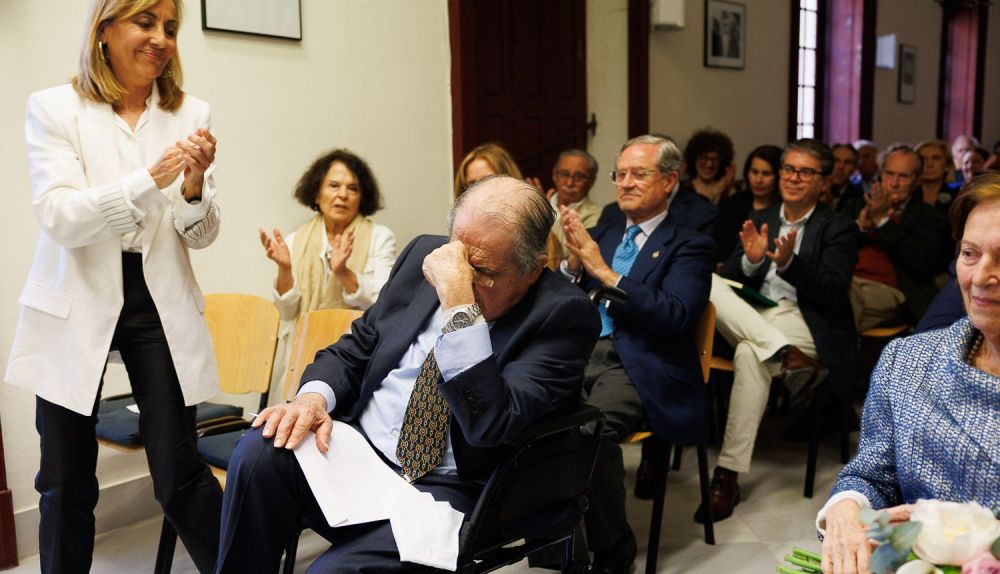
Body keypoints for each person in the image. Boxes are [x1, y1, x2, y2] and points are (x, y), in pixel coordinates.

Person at [215, 176, 602, 573]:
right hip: (362, 451)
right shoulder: (424, 254)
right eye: (456, 259)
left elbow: (491, 423)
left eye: (482, 271)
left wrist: (459, 307)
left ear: (534, 269)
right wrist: (312, 399)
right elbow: (358, 346)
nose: (462, 275)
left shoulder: (562, 315)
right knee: (260, 451)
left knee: (333, 572)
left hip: (449, 487)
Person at [3, 1, 222, 572]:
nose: (161, 39)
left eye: (170, 28)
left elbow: (198, 236)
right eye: (145, 22)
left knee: (179, 472)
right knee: (64, 477)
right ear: (103, 30)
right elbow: (62, 218)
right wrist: (149, 182)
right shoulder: (55, 108)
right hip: (75, 293)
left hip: (158, 297)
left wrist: (195, 189)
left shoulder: (190, 112)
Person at [818, 173, 1000, 573]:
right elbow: (872, 475)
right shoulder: (907, 361)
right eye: (970, 254)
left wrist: (964, 539)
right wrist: (848, 508)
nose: (982, 277)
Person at [560, 135, 714, 573]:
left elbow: (677, 315)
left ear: (669, 180)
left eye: (638, 174)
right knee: (529, 415)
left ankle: (613, 554)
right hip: (581, 353)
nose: (625, 183)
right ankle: (557, 541)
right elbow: (571, 298)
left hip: (640, 362)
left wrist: (604, 272)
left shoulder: (690, 243)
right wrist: (574, 270)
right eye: (620, 174)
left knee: (590, 430)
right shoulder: (605, 230)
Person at [703, 139, 859, 523]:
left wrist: (790, 264)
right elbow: (731, 277)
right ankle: (785, 355)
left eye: (805, 171)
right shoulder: (766, 215)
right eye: (789, 169)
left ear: (823, 182)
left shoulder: (839, 227)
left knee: (747, 353)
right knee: (706, 281)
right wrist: (754, 262)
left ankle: (727, 476)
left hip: (803, 319)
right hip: (755, 312)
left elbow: (832, 291)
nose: (793, 177)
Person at [259, 150, 396, 389]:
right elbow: (287, 313)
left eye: (352, 188)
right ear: (316, 192)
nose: (343, 194)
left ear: (362, 197)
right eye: (334, 185)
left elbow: (383, 307)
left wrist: (344, 273)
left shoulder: (379, 237)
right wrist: (284, 269)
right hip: (301, 358)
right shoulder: (295, 240)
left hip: (355, 357)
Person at [844, 144, 950, 330]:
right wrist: (861, 228)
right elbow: (835, 247)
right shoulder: (857, 204)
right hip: (848, 280)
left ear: (917, 181)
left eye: (903, 176)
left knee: (838, 299)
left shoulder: (929, 217)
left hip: (892, 290)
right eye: (889, 174)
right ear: (880, 174)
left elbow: (920, 261)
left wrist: (883, 221)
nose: (893, 183)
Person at [454, 142, 563, 270]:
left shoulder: (543, 241)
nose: (480, 190)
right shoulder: (458, 237)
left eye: (488, 180)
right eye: (472, 184)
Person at [714, 145, 783, 262]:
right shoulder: (736, 202)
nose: (758, 180)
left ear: (778, 176)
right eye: (754, 172)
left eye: (766, 174)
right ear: (747, 173)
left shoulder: (784, 208)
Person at [544, 149, 603, 251]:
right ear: (554, 175)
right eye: (564, 174)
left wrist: (542, 219)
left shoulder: (596, 216)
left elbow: (570, 255)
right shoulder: (541, 204)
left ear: (591, 181)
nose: (569, 183)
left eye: (578, 177)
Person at [682, 128, 736, 204]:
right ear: (694, 158)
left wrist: (729, 188)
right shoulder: (684, 189)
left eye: (715, 159)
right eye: (704, 158)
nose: (709, 164)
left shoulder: (727, 190)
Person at [915, 139, 955, 216]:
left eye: (936, 158)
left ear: (947, 165)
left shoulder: (957, 197)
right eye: (923, 159)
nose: (929, 164)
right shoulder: (907, 196)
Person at [824, 144, 864, 212]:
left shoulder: (859, 198)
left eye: (848, 162)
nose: (841, 166)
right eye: (836, 160)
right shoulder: (814, 190)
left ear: (854, 168)